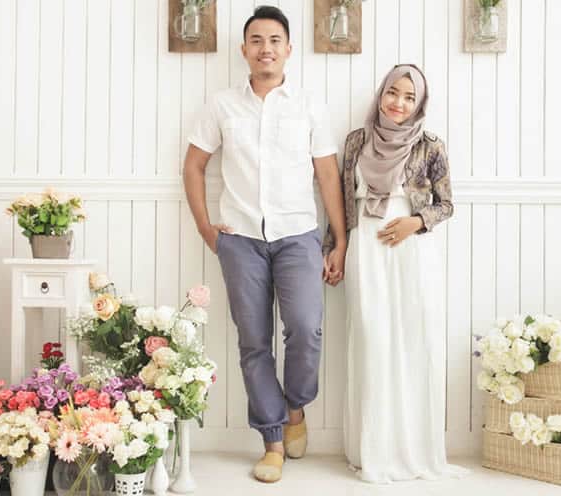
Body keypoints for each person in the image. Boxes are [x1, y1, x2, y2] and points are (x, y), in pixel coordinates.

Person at [183, 5, 347, 484]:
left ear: (289, 49)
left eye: (274, 40)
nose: (265, 49)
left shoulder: (309, 104)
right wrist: (206, 228)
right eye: (256, 40)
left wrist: (338, 241)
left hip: (298, 236)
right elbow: (193, 166)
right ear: (244, 50)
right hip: (240, 240)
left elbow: (327, 174)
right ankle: (272, 440)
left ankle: (296, 408)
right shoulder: (221, 105)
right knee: (254, 342)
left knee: (305, 329)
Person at [324, 64, 469, 483]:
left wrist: (416, 222)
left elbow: (446, 204)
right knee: (372, 342)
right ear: (381, 93)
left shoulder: (431, 145)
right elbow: (339, 205)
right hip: (365, 252)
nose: (398, 103)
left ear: (420, 102)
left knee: (412, 343)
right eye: (393, 92)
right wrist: (333, 247)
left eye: (409, 97)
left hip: (412, 255)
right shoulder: (355, 142)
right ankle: (372, 450)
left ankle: (412, 450)